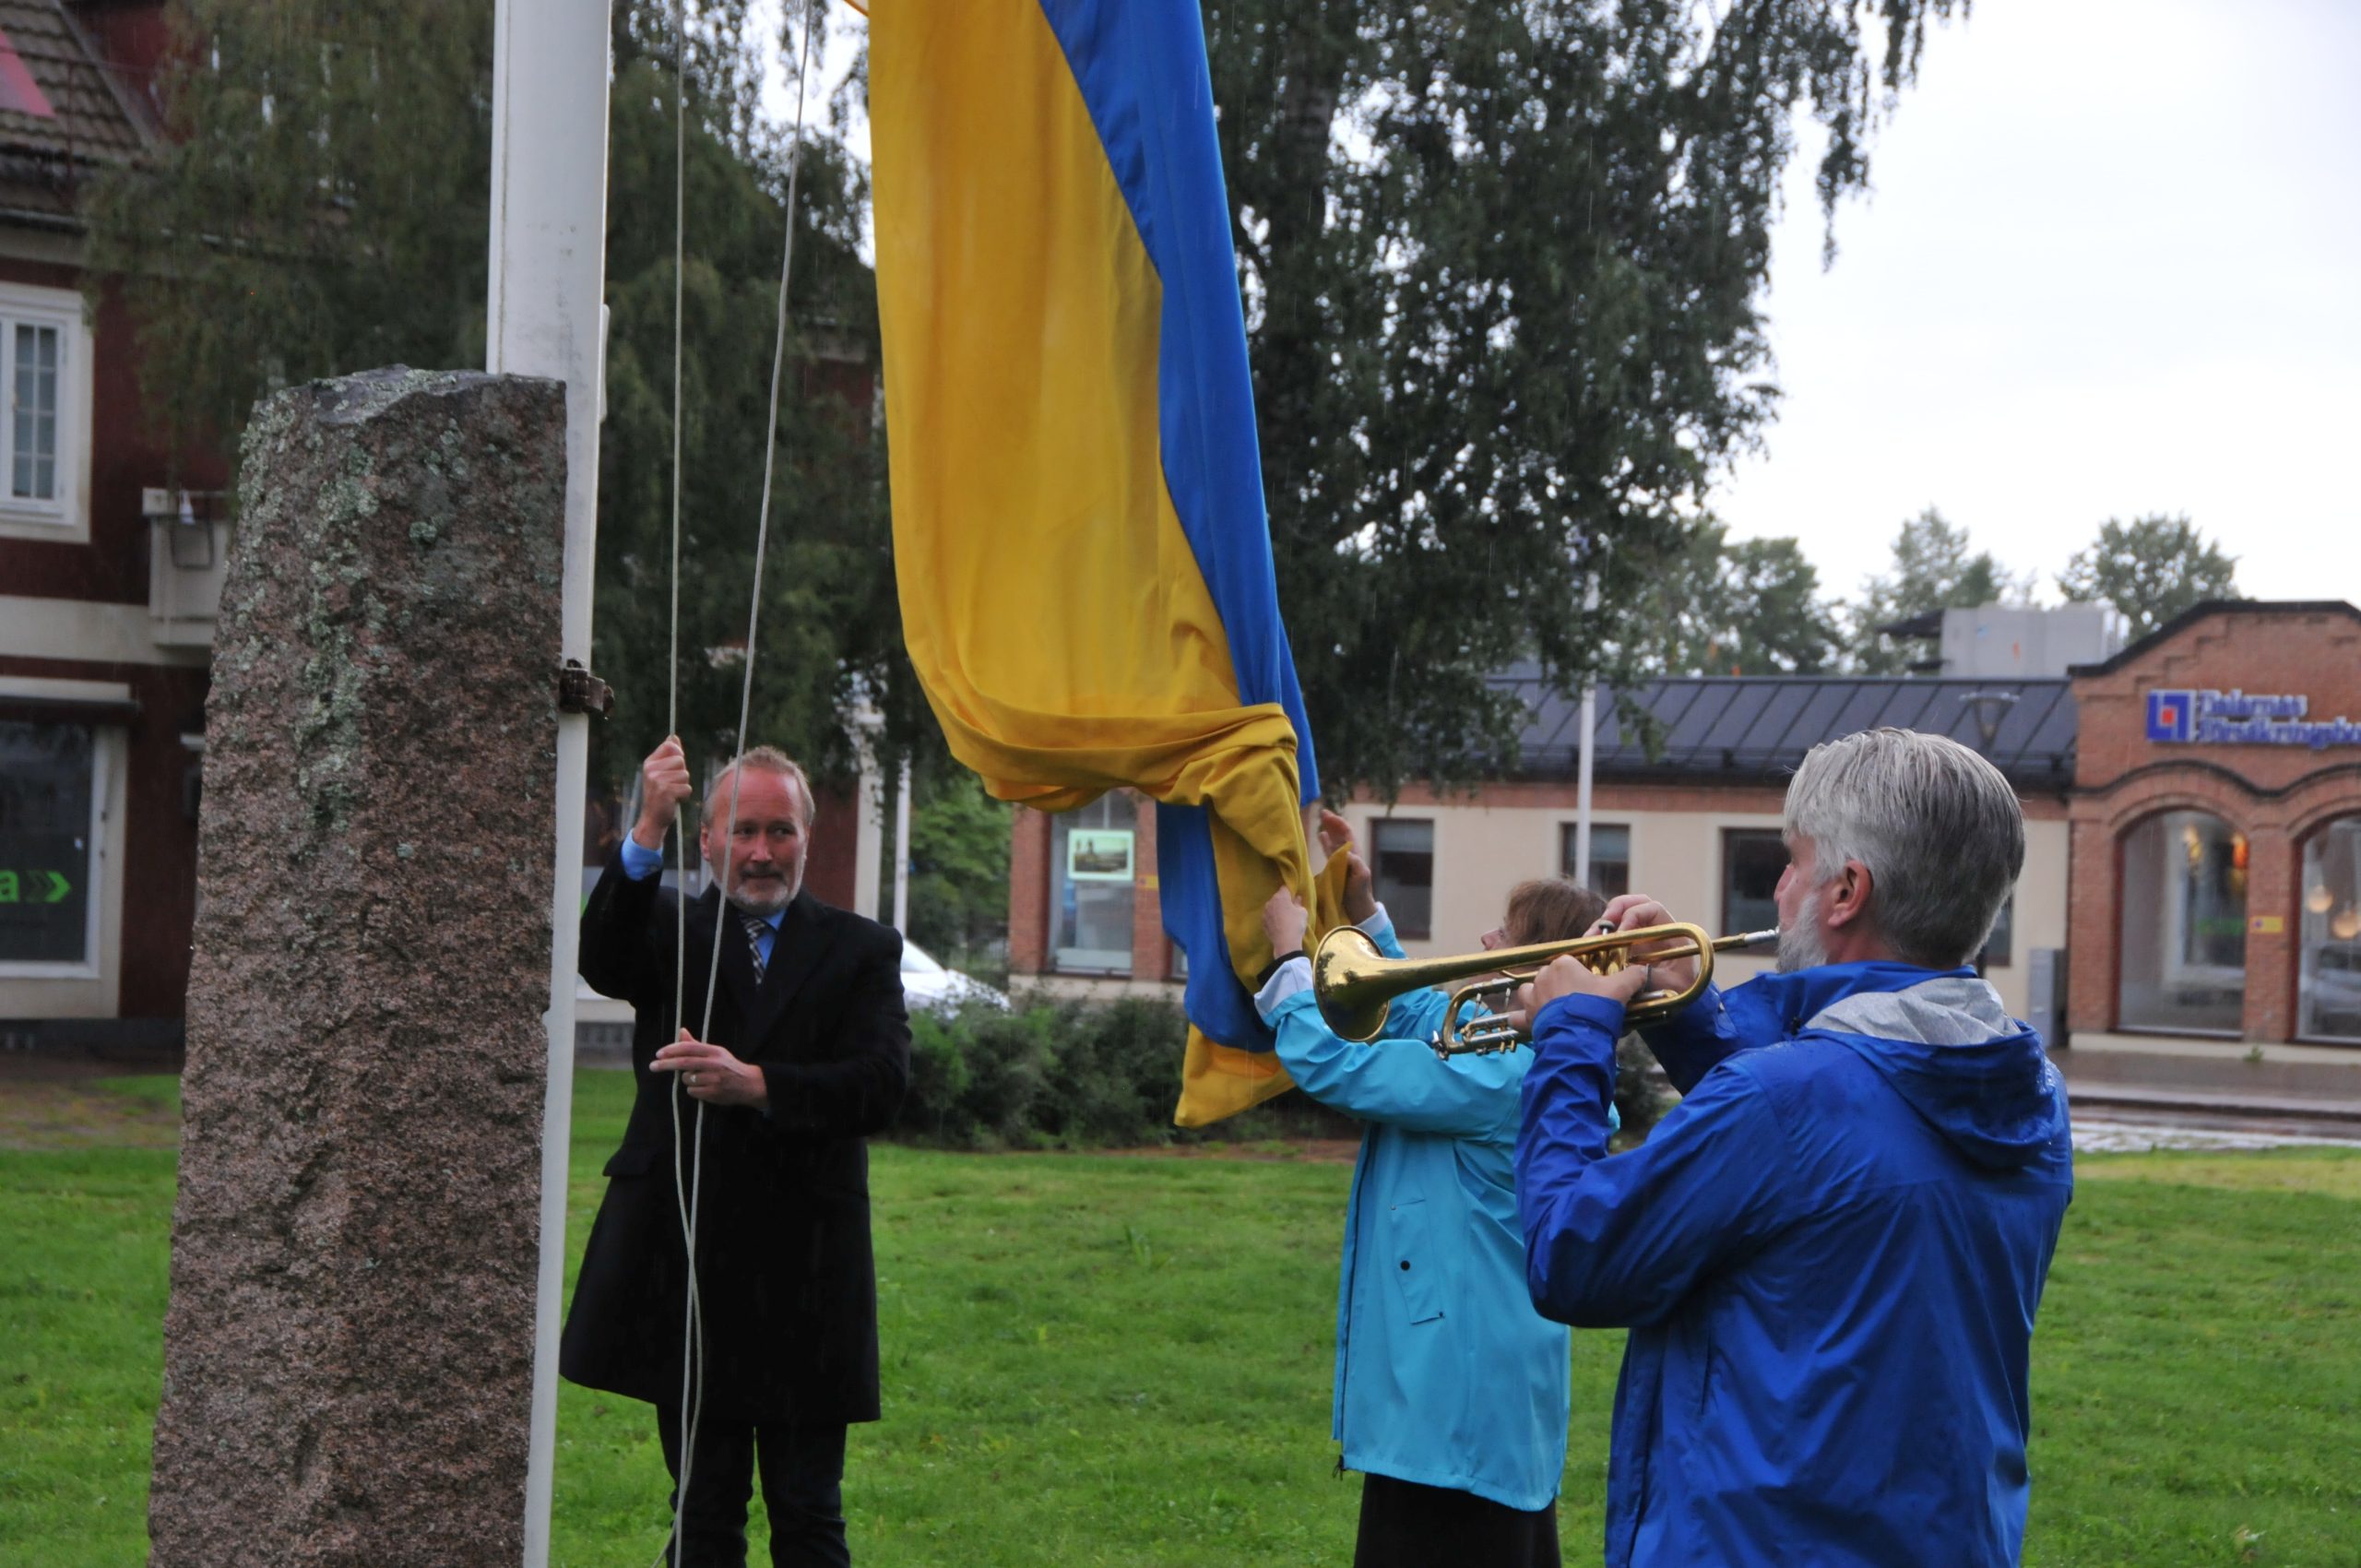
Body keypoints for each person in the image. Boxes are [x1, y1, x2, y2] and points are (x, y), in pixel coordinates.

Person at [1513, 728, 2073, 1568]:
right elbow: (1828, 1156)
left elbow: (1572, 1256)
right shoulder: (2029, 1088)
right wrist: (1685, 1013)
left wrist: (1569, 1040)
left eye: (1793, 863)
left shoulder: (1781, 1103)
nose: (1779, 890)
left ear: (1846, 891)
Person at [563, 736, 911, 1568]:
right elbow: (601, 955)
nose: (762, 853)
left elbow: (881, 1086)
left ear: (808, 838)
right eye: (744, 831)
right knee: (704, 1515)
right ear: (709, 841)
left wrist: (757, 1083)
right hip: (689, 1266)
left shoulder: (861, 949)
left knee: (809, 1515)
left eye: (781, 832)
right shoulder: (669, 932)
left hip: (810, 1272)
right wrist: (648, 819)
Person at [1258, 811, 1609, 1568]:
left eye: (1506, 934)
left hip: (1455, 1413)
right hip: (1463, 1403)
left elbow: (1348, 1068)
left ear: (1547, 967)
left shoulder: (1512, 1073)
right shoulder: (1514, 1048)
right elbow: (1419, 1012)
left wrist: (1289, 961)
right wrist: (1367, 917)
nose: (1485, 942)